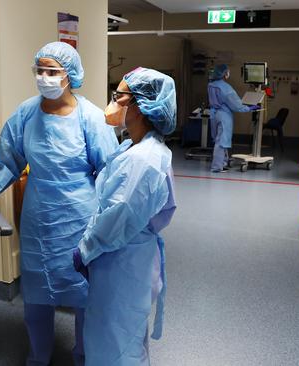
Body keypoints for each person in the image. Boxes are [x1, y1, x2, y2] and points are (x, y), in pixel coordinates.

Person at [0, 42, 118, 366]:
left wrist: (111, 222)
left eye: (52, 71)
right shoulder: (26, 113)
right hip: (39, 213)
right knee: (38, 293)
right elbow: (8, 159)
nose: (44, 77)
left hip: (80, 214)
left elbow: (109, 171)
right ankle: (38, 356)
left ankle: (84, 355)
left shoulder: (91, 118)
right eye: (40, 70)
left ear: (70, 75)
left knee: (83, 293)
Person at [72, 67, 177, 366]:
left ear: (142, 106)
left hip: (122, 263)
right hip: (125, 260)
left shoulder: (143, 160)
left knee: (114, 345)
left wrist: (85, 250)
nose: (113, 102)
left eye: (119, 96)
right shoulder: (135, 146)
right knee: (123, 337)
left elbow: (118, 217)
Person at [207, 64, 259, 172]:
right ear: (224, 73)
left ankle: (223, 163)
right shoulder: (226, 88)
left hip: (213, 115)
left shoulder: (211, 85)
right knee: (221, 141)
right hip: (223, 116)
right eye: (227, 72)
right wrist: (249, 108)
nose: (228, 74)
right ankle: (216, 167)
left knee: (219, 139)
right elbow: (236, 105)